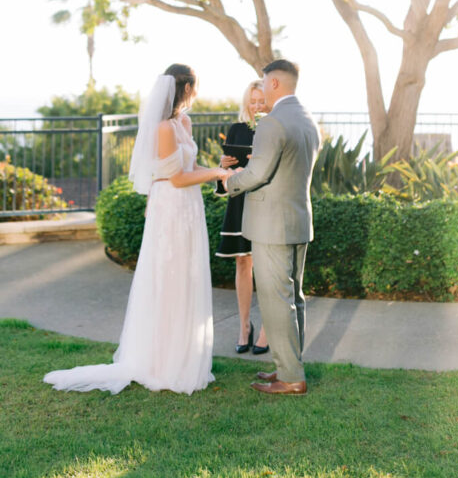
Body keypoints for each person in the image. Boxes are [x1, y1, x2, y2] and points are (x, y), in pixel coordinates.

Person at [44, 63, 231, 394]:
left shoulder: (183, 122)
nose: (197, 93)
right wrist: (216, 175)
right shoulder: (163, 129)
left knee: (188, 275)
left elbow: (190, 167)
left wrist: (218, 168)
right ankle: (161, 361)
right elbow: (175, 178)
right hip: (171, 206)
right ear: (185, 88)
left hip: (188, 205)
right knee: (169, 276)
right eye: (195, 86)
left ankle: (184, 355)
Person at [223, 59, 320, 395]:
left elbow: (257, 174)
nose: (261, 90)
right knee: (293, 298)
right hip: (297, 221)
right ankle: (288, 367)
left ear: (275, 83)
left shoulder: (272, 122)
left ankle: (291, 377)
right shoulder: (307, 120)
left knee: (277, 301)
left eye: (264, 83)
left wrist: (227, 182)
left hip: (271, 227)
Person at [216, 79, 269, 353]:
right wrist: (223, 165)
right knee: (242, 262)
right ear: (247, 103)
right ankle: (244, 326)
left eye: (262, 101)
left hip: (266, 203)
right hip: (240, 203)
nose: (257, 106)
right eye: (253, 101)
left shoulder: (275, 129)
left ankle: (266, 329)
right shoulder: (236, 129)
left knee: (267, 267)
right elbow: (226, 172)